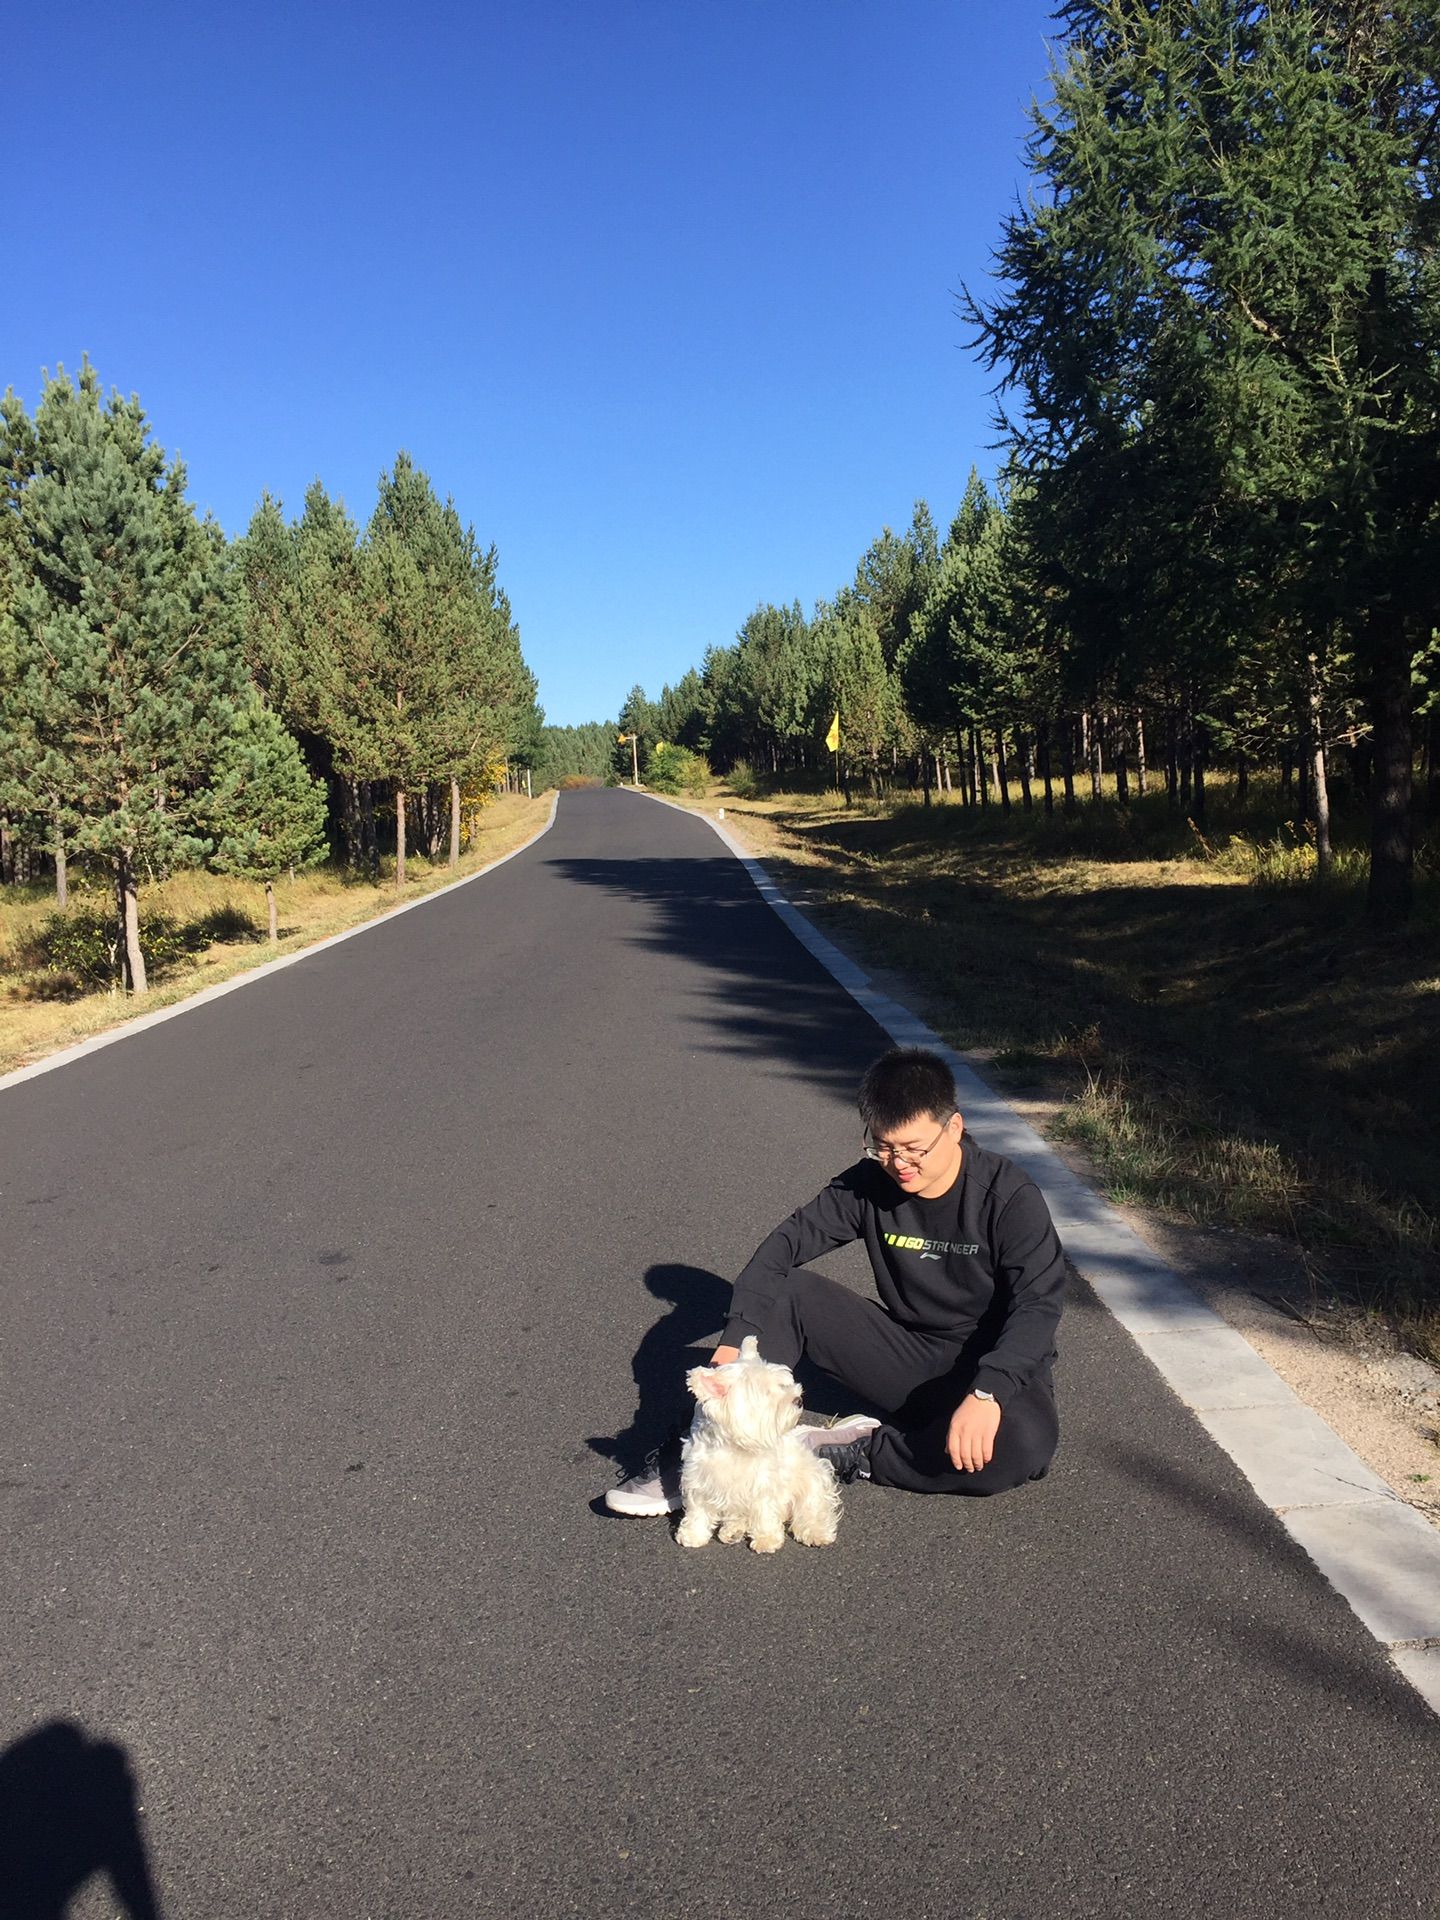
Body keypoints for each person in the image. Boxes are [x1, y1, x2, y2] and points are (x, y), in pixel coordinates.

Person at [605, 1046, 1065, 1516]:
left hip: (990, 1361)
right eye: (883, 1146)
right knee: (785, 1292)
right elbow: (784, 1246)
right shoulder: (870, 1182)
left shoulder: (1008, 1196)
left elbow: (1039, 1306)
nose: (898, 1162)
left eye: (914, 1148)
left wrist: (987, 1392)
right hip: (905, 1354)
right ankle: (695, 1458)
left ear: (955, 1127)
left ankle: (852, 1450)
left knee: (1022, 1450)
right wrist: (737, 1339)